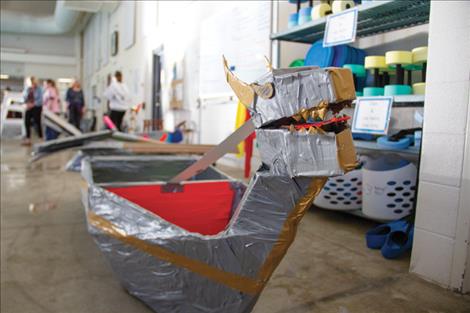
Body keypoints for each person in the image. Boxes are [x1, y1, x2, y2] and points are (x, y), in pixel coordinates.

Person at [22, 76, 43, 145]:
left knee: (37, 122)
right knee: (27, 122)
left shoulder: (39, 89)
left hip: (37, 107)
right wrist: (27, 103)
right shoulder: (28, 89)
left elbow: (40, 100)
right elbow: (24, 97)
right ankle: (28, 139)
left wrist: (33, 104)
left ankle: (40, 138)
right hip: (28, 107)